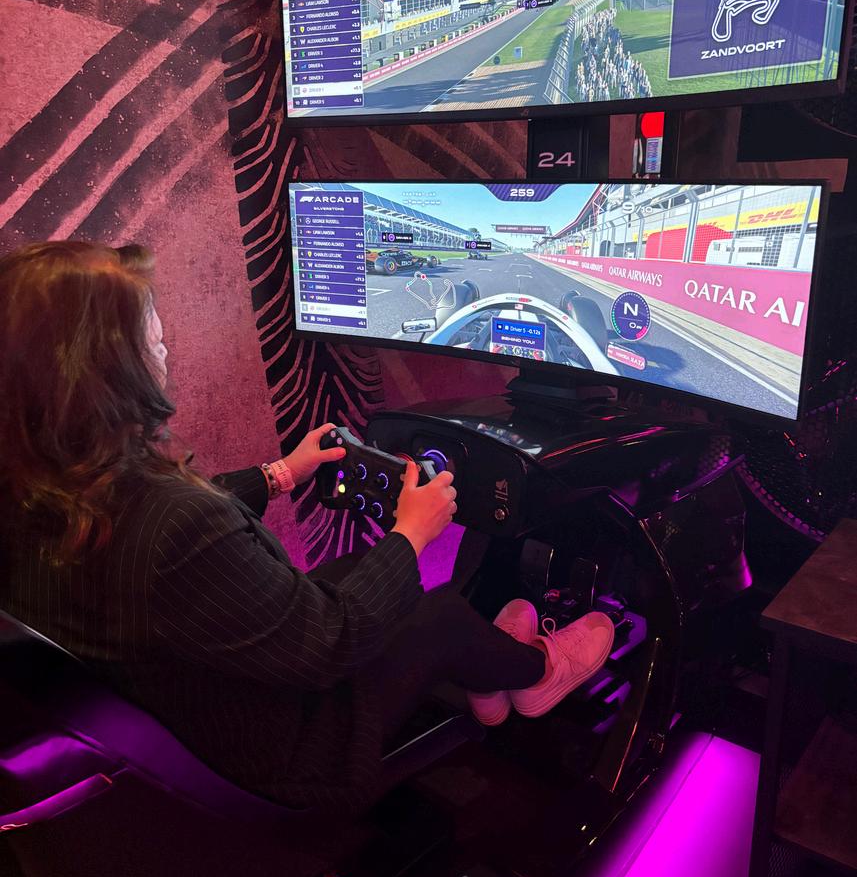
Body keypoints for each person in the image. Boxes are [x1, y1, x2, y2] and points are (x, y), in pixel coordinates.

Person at [0, 242, 613, 813]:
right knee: (441, 615)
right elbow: (329, 643)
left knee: (355, 570)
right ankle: (538, 674)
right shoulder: (173, 521)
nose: (164, 349)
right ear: (107, 373)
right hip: (277, 754)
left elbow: (164, 533)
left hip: (185, 706)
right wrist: (413, 532)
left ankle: (490, 678)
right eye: (151, 337)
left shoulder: (39, 483)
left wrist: (280, 475)